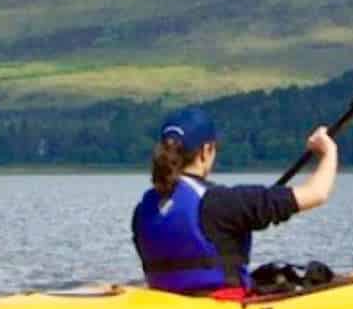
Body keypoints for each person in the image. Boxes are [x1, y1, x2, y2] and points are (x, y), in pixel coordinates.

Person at [130, 106, 338, 294]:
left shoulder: (143, 210)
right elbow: (317, 193)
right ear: (206, 151)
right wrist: (329, 151)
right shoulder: (223, 202)